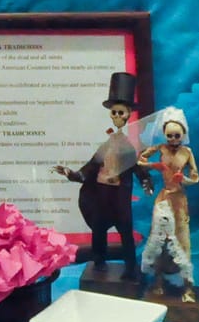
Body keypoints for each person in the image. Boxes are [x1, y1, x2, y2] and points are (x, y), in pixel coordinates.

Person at [54, 73, 144, 282]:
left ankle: (130, 267)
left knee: (125, 231)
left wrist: (145, 181)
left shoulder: (127, 147)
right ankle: (99, 261)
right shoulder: (106, 145)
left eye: (121, 113)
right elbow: (92, 166)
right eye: (114, 112)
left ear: (128, 115)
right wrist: (72, 174)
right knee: (99, 228)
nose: (116, 116)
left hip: (118, 197)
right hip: (101, 194)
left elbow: (136, 167)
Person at [136, 108, 199, 303]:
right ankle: (157, 281)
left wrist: (184, 179)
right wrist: (154, 166)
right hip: (163, 198)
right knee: (159, 239)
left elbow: (196, 178)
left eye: (177, 135)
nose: (173, 139)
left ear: (183, 134)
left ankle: (188, 286)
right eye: (169, 135)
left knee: (182, 239)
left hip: (179, 200)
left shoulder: (187, 152)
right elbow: (140, 160)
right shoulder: (160, 148)